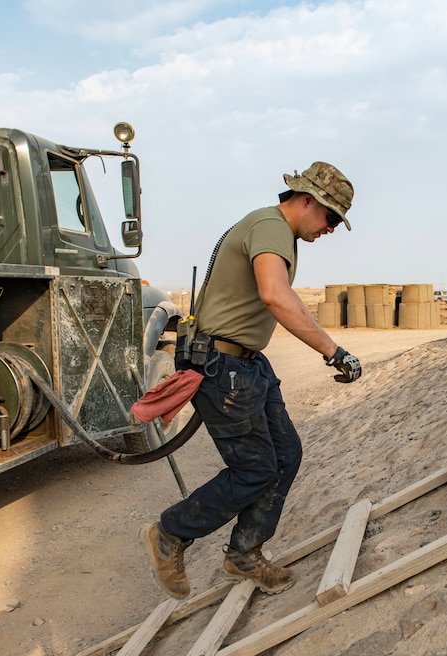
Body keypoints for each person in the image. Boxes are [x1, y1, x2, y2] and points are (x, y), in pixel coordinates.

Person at [140, 161, 362, 599]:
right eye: (331, 217)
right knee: (256, 469)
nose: (331, 229)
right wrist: (333, 351)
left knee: (285, 455)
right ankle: (170, 533)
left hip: (246, 364)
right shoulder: (270, 227)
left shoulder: (276, 232)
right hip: (224, 368)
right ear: (306, 200)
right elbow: (275, 295)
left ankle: (243, 555)